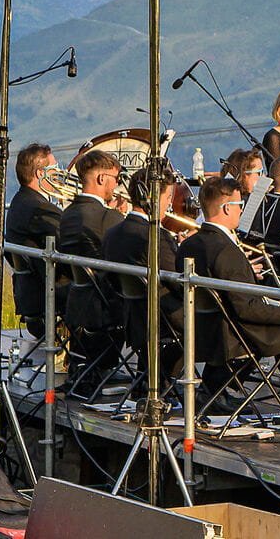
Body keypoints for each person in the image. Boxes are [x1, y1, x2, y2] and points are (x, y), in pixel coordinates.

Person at [187, 176, 280, 428]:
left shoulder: (190, 245)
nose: (242, 210)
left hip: (208, 329)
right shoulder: (226, 251)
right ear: (226, 208)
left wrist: (246, 274)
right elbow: (248, 310)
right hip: (241, 332)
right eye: (239, 205)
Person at [103, 167, 184, 392]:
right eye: (168, 198)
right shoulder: (156, 237)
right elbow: (180, 283)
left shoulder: (113, 232)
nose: (169, 205)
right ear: (152, 198)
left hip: (133, 318)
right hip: (163, 320)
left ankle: (150, 380)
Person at [58, 149, 127, 392]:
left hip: (77, 301)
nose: (117, 185)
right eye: (115, 178)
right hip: (106, 305)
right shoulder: (107, 217)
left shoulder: (67, 215)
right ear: (101, 179)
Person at [6, 143, 63, 335]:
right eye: (54, 169)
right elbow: (69, 241)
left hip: (31, 293)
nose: (58, 174)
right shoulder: (39, 209)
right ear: (40, 174)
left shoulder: (22, 201)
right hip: (47, 294)